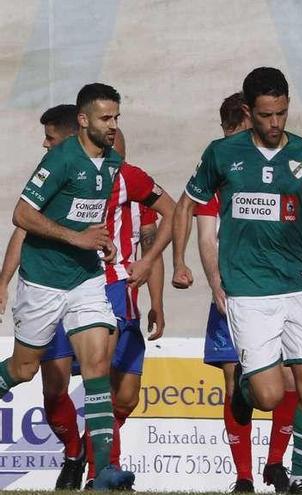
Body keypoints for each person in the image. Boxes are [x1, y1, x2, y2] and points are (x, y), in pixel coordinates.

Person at [171, 67, 302, 495]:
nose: (275, 124)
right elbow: (186, 205)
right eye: (267, 115)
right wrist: (180, 261)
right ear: (249, 112)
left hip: (300, 286)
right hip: (249, 291)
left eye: (282, 113)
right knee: (269, 396)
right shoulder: (222, 153)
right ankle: (246, 390)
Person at [0, 112, 173, 489]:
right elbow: (23, 226)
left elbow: (154, 229)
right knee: (35, 375)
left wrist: (154, 287)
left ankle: (102, 470)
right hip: (46, 284)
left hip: (105, 286)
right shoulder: (61, 173)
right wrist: (4, 280)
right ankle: (76, 453)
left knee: (111, 382)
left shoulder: (128, 176)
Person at [194, 91, 302, 493]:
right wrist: (215, 285)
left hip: (282, 292)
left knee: (287, 381)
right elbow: (204, 232)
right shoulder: (220, 171)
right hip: (236, 293)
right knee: (236, 382)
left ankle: (277, 464)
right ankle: (243, 476)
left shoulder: (285, 167)